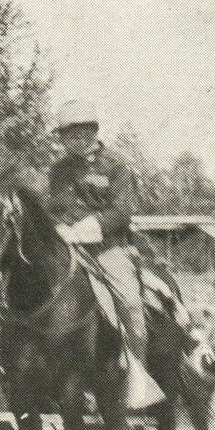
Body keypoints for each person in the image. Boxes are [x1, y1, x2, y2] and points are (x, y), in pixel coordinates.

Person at [44, 100, 149, 362]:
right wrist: (57, 227)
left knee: (130, 303)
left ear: (93, 131)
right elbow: (53, 207)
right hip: (63, 245)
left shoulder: (116, 165)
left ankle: (139, 372)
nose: (74, 140)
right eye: (68, 135)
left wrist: (85, 230)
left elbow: (122, 211)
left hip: (106, 246)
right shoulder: (59, 171)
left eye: (80, 133)